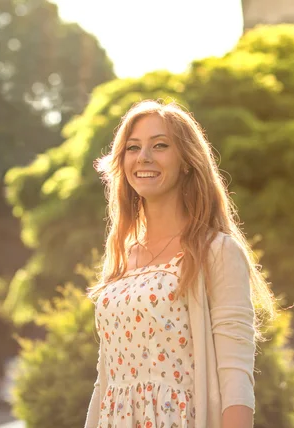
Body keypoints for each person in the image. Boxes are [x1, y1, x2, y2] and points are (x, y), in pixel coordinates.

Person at [84, 100, 276, 428]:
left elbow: (235, 374)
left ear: (187, 161)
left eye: (160, 145)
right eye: (133, 147)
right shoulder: (121, 258)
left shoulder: (216, 251)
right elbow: (105, 380)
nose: (144, 157)